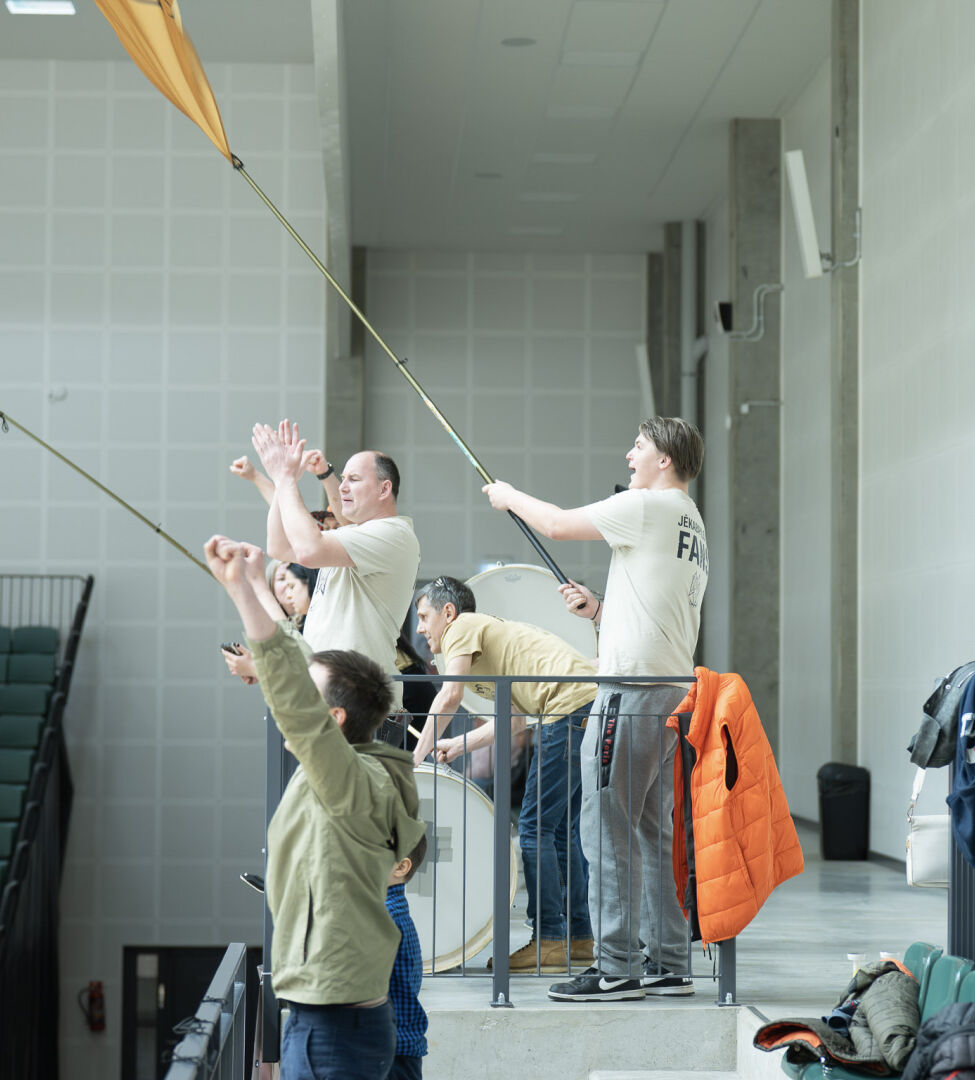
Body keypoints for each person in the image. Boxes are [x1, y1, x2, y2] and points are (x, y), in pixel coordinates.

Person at [483, 416, 708, 1001]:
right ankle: (669, 962)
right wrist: (600, 610)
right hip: (669, 692)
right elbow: (657, 611)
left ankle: (615, 968)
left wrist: (509, 497)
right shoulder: (689, 520)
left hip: (628, 694)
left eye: (639, 446)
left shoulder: (647, 505)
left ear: (664, 459)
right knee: (653, 830)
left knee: (606, 830)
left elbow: (557, 525)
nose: (629, 456)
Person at [202, 535, 424, 1080]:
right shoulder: (356, 768)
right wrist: (258, 582)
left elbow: (295, 698)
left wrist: (240, 593)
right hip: (331, 1016)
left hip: (333, 1027)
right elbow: (302, 665)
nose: (294, 699)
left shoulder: (349, 780)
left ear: (335, 719)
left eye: (311, 697)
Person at [412, 576, 598, 973]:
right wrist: (456, 745)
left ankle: (548, 940)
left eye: (425, 616)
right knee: (559, 830)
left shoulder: (462, 627)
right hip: (581, 706)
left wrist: (416, 757)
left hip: (567, 707)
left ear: (448, 612)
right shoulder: (491, 646)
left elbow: (450, 695)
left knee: (533, 828)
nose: (421, 628)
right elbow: (512, 721)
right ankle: (579, 938)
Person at [253, 420, 421, 710]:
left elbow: (308, 550)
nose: (342, 487)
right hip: (329, 697)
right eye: (342, 479)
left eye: (353, 479)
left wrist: (286, 478)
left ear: (384, 489)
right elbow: (279, 547)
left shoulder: (394, 533)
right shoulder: (351, 536)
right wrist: (282, 483)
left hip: (359, 702)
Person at [222, 560, 317, 685]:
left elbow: (304, 671)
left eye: (295, 579)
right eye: (282, 578)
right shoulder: (272, 627)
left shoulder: (313, 620)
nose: (289, 585)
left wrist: (255, 668)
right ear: (270, 586)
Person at [385, 835, 430, 1080]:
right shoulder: (390, 914)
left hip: (390, 1056)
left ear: (401, 867)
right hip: (395, 1053)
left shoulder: (383, 920)